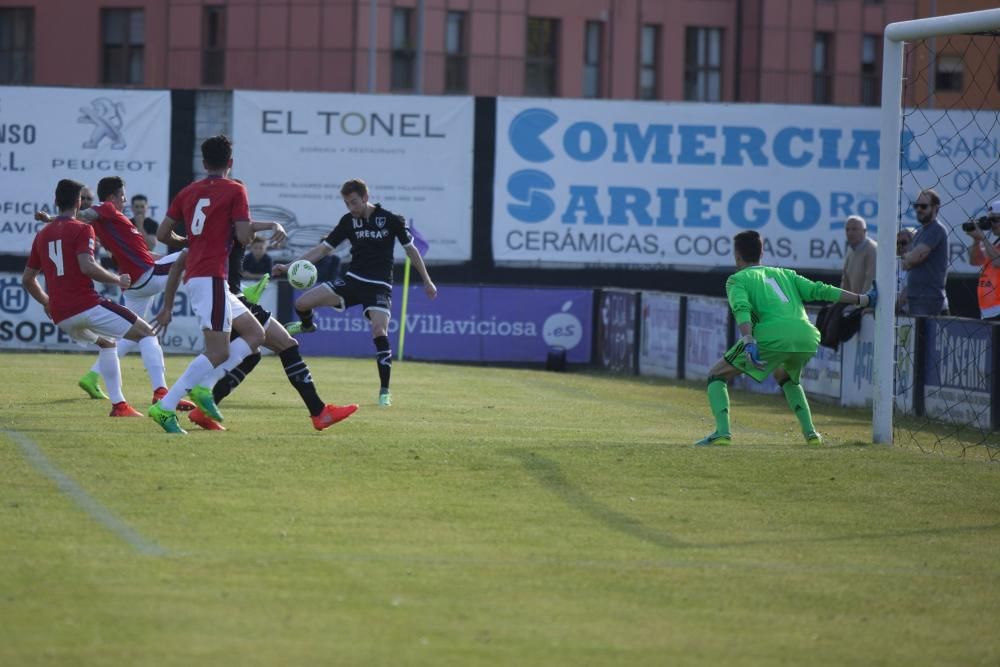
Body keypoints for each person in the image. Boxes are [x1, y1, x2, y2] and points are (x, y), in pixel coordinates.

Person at [155, 224, 358, 432]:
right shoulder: (226, 228)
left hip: (230, 298)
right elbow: (241, 228)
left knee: (250, 355)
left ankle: (199, 409)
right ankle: (319, 412)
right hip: (230, 300)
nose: (251, 235)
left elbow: (190, 257)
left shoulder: (217, 229)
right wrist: (272, 225)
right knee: (287, 345)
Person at [696, 230, 877, 447]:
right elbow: (822, 290)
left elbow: (741, 308)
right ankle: (811, 434)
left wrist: (748, 340)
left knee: (716, 375)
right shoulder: (786, 275)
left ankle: (722, 433)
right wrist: (863, 299)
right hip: (806, 336)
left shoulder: (737, 279)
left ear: (736, 256)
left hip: (772, 337)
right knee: (787, 377)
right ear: (762, 252)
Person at [34, 176, 194, 411]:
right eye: (122, 196)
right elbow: (83, 215)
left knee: (130, 335)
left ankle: (93, 376)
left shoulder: (111, 222)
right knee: (197, 251)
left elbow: (145, 255)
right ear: (111, 197)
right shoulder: (105, 209)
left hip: (134, 285)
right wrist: (51, 218)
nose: (124, 200)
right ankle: (237, 294)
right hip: (145, 276)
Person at [275, 179, 436, 407]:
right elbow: (322, 250)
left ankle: (384, 392)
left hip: (379, 286)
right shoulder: (348, 221)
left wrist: (427, 281)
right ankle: (308, 325)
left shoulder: (390, 220)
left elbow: (411, 251)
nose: (351, 208)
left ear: (365, 198)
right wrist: (290, 266)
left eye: (354, 202)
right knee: (302, 303)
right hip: (352, 282)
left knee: (379, 330)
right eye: (347, 204)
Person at [149, 134, 262, 434]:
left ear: (204, 162)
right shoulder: (236, 190)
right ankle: (165, 406)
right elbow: (242, 237)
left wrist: (188, 240)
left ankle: (206, 386)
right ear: (231, 162)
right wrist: (250, 232)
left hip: (208, 277)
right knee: (219, 351)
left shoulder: (188, 191)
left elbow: (162, 235)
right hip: (209, 275)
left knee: (254, 334)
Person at [21, 179, 158, 419]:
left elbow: (27, 279)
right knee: (146, 333)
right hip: (86, 306)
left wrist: (46, 301)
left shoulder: (42, 236)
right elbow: (87, 266)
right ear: (77, 202)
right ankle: (162, 393)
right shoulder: (84, 229)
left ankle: (120, 406)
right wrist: (118, 280)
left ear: (55, 201)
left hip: (62, 316)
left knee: (107, 344)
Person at [901, 188, 949, 316]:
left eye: (923, 206)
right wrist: (910, 258)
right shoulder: (920, 233)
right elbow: (906, 265)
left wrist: (909, 257)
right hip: (915, 297)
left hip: (929, 299)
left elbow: (915, 258)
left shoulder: (936, 229)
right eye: (916, 206)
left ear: (935, 208)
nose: (918, 210)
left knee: (924, 335)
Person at [965, 200, 1000, 321]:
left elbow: (997, 262)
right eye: (990, 220)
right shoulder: (995, 244)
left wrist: (983, 237)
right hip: (987, 311)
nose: (992, 225)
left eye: (995, 220)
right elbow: (975, 261)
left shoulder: (991, 245)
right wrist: (976, 240)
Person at [841, 215, 876, 297]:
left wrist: (862, 303)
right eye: (847, 230)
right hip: (853, 302)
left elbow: (870, 282)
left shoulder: (872, 250)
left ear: (864, 231)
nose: (850, 233)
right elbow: (845, 282)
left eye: (854, 229)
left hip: (865, 304)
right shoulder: (851, 250)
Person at [895, 227, 915, 314]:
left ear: (914, 244)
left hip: (915, 315)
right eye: (897, 243)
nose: (899, 246)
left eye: (903, 243)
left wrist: (891, 311)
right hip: (897, 313)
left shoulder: (920, 265)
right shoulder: (893, 264)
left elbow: (907, 292)